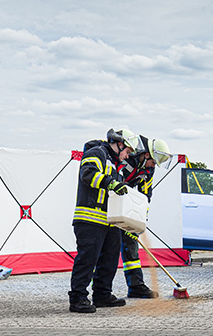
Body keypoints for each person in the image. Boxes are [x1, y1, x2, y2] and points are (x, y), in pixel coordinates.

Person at [68, 127, 136, 313]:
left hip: (109, 221)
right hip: (90, 218)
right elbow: (87, 174)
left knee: (110, 260)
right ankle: (78, 298)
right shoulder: (96, 153)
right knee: (87, 259)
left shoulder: (116, 166)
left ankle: (102, 294)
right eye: (127, 152)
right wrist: (110, 182)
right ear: (119, 144)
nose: (127, 156)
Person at [118, 135, 172, 298]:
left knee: (131, 247)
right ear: (147, 155)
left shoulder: (147, 168)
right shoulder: (127, 155)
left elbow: (145, 194)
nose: (153, 166)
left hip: (125, 208)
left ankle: (135, 286)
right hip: (109, 206)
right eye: (154, 162)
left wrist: (140, 220)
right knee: (107, 249)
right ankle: (98, 289)